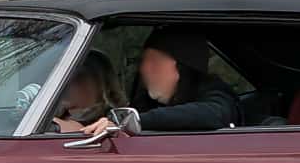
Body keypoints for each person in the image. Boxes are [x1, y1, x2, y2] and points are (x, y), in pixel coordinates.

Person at [75, 27, 240, 136]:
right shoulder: (149, 102)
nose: (144, 69)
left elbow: (213, 114)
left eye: (154, 62)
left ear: (180, 66)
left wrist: (135, 121)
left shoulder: (215, 94)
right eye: (144, 62)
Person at [52, 49, 125, 133]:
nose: (65, 83)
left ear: (101, 83)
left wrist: (112, 130)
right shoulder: (44, 115)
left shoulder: (117, 119)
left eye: (76, 76)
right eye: (61, 77)